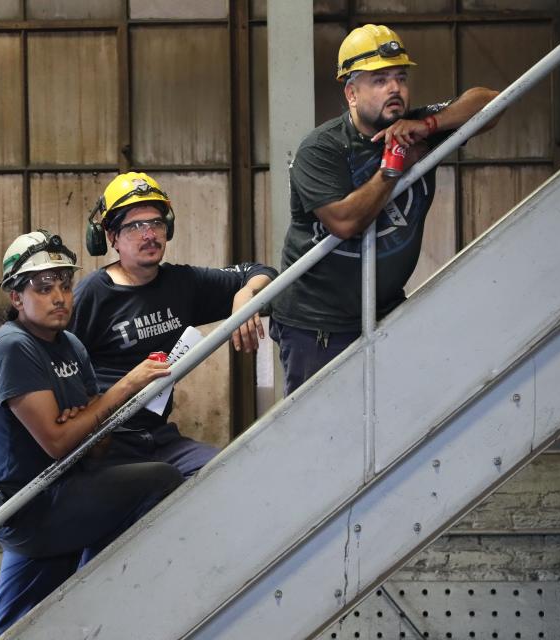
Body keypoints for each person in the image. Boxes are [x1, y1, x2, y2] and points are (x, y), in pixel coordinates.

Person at [269, 24, 502, 396]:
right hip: (317, 324)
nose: (394, 89)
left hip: (385, 310)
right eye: (378, 80)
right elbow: (344, 222)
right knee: (322, 432)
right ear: (351, 93)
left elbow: (492, 101)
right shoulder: (321, 148)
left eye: (400, 77)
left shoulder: (417, 128)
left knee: (397, 423)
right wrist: (393, 166)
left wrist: (429, 125)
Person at [0, 231, 185, 637]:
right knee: (163, 479)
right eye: (43, 287)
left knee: (13, 628)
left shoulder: (70, 344)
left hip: (66, 489)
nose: (59, 297)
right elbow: (57, 442)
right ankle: (101, 589)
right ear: (16, 298)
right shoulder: (13, 347)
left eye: (65, 285)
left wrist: (83, 421)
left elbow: (95, 446)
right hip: (31, 504)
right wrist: (125, 387)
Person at [70, 171, 278, 477]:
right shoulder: (92, 295)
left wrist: (246, 293)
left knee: (231, 472)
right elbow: (55, 365)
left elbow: (261, 271)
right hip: (107, 442)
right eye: (135, 226)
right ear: (111, 237)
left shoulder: (182, 283)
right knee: (155, 488)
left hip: (157, 436)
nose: (149, 234)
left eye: (156, 223)